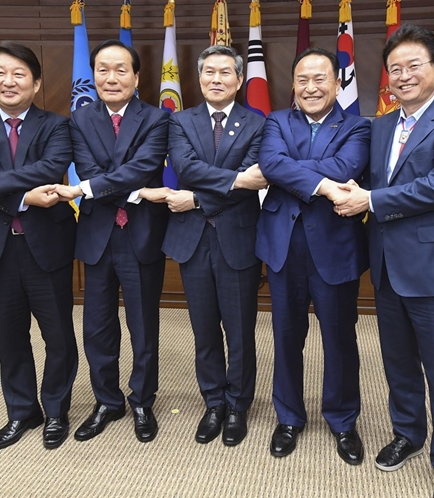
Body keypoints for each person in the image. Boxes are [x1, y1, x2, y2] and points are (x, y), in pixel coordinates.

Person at [333, 24, 434, 498]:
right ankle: (408, 434)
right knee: (397, 364)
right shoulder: (378, 127)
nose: (403, 75)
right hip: (386, 267)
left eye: (414, 65)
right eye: (395, 68)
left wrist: (371, 200)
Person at [0, 41, 78, 451]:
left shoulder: (57, 125)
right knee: (9, 336)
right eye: (0, 73)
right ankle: (22, 412)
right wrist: (23, 196)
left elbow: (49, 167)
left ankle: (56, 410)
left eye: (19, 74)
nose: (9, 81)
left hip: (47, 244)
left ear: (36, 82)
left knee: (58, 334)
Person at [255, 47, 370, 463]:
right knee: (286, 338)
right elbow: (271, 163)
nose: (311, 87)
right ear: (293, 85)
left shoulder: (358, 127)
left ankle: (342, 420)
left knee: (339, 340)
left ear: (337, 84)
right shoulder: (275, 121)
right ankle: (289, 418)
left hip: (335, 248)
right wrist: (321, 184)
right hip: (283, 247)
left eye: (320, 79)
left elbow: (346, 167)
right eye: (302, 79)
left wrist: (296, 170)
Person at [55, 40, 169, 444]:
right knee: (97, 327)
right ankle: (107, 400)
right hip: (97, 236)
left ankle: (142, 399)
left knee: (144, 326)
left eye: (121, 70)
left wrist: (97, 186)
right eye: (103, 69)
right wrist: (127, 186)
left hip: (140, 234)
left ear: (137, 77)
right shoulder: (79, 119)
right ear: (93, 76)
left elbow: (143, 167)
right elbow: (86, 168)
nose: (111, 78)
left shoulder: (157, 119)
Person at [162, 45, 266, 446]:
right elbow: (185, 167)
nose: (216, 79)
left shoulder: (258, 123)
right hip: (193, 240)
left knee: (239, 330)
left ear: (239, 80)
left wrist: (201, 196)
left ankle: (238, 405)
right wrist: (235, 179)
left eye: (225, 72)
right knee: (204, 330)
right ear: (200, 78)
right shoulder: (181, 120)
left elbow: (256, 178)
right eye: (209, 72)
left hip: (237, 238)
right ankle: (213, 403)